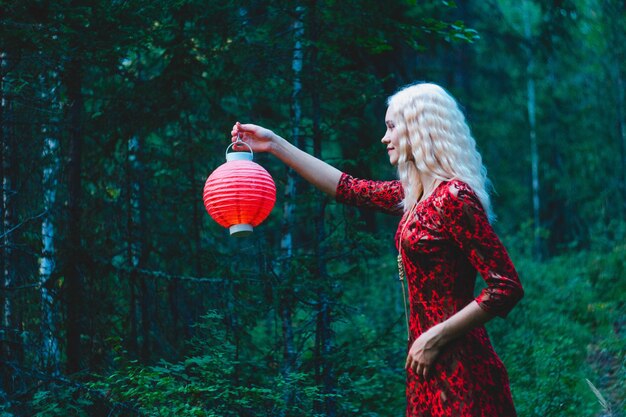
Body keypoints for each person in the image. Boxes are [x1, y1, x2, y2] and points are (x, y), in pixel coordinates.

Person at [231, 82, 524, 417]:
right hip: (426, 367)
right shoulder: (416, 197)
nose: (385, 138)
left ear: (419, 128)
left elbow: (506, 286)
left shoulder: (453, 198)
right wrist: (274, 144)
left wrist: (435, 338)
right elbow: (348, 188)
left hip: (461, 370)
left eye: (391, 127)